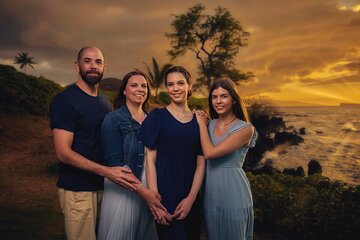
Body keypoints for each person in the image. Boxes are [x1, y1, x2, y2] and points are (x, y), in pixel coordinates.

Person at [50, 47, 137, 240]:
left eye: (98, 62)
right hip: (78, 189)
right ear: (77, 66)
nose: (93, 66)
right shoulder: (65, 100)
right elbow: (63, 152)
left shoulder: (104, 101)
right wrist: (107, 172)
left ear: (104, 67)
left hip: (103, 187)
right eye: (87, 61)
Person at [97, 70, 169, 240]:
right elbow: (114, 163)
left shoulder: (153, 119)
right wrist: (143, 192)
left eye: (144, 86)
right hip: (123, 186)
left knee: (143, 232)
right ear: (124, 90)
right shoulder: (113, 119)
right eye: (134, 85)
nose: (140, 89)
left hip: (149, 184)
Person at [138, 66, 205, 240]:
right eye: (170, 84)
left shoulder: (200, 121)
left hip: (190, 194)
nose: (175, 89)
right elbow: (150, 160)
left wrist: (191, 199)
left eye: (180, 83)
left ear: (190, 86)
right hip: (164, 192)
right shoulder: (157, 117)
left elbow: (201, 164)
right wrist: (156, 202)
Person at [194, 78, 258, 240]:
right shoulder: (209, 124)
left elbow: (209, 153)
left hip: (234, 194)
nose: (218, 101)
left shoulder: (245, 129)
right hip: (211, 195)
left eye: (224, 96)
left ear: (234, 100)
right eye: (214, 97)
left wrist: (201, 124)